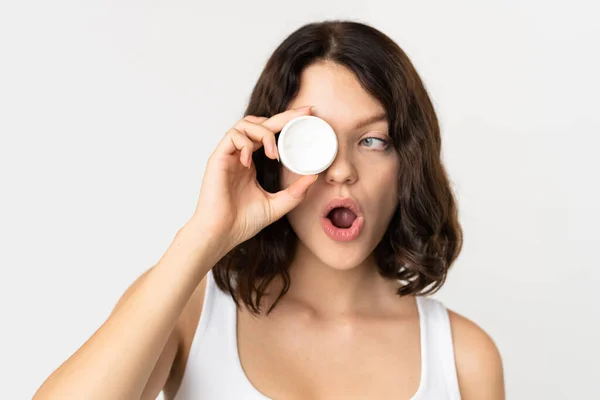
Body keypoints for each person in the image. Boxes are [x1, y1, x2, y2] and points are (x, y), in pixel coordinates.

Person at [34, 20, 504, 400]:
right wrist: (204, 236)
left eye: (373, 140)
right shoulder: (194, 312)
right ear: (272, 153)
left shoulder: (464, 358)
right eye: (314, 141)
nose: (341, 171)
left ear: (409, 162)